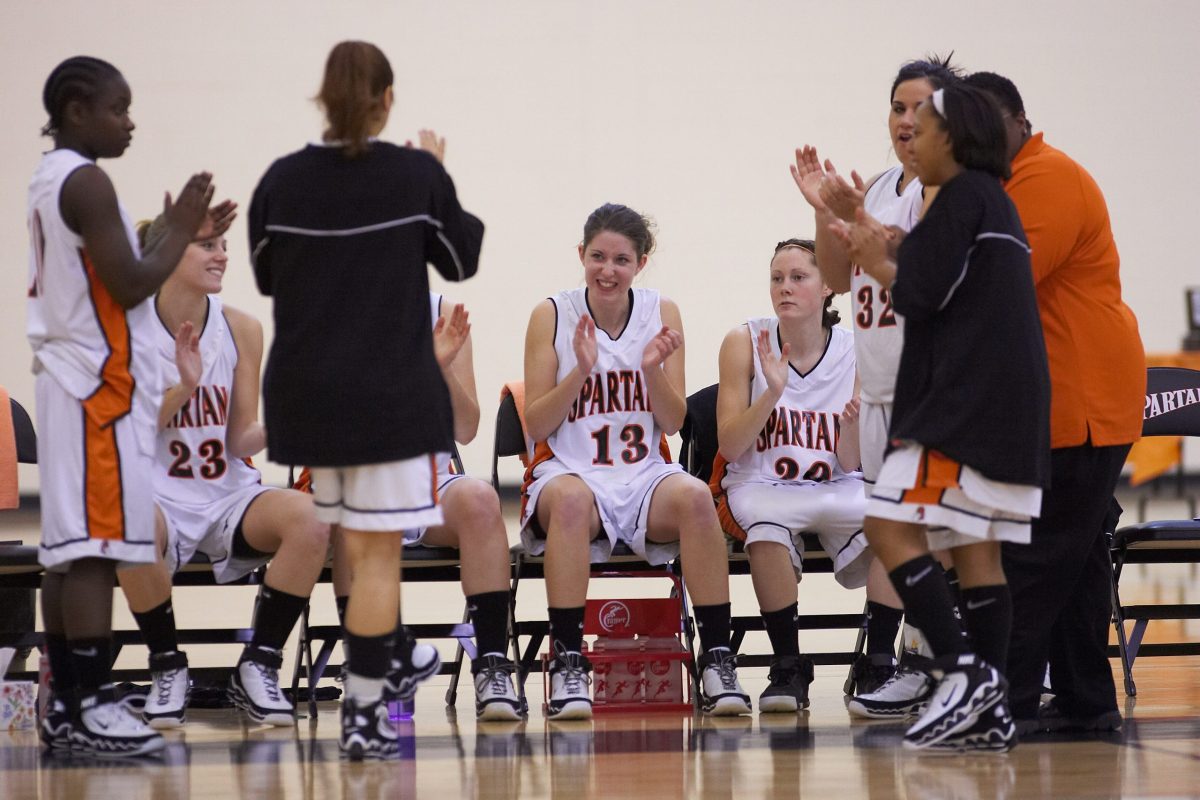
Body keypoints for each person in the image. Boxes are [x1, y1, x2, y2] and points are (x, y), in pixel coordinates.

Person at [248, 41, 483, 760]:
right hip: (385, 397)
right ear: (387, 101)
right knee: (378, 557)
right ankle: (363, 714)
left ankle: (386, 667)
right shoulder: (414, 174)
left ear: (323, 98)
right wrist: (436, 170)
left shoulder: (281, 181)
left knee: (354, 538)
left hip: (306, 401)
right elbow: (462, 258)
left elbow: (264, 275)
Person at [830, 82, 1050, 754]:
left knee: (887, 524)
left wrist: (874, 259)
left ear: (952, 139)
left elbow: (918, 294)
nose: (909, 139)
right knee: (977, 552)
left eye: (921, 127)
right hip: (1004, 408)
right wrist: (868, 234)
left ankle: (959, 673)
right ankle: (992, 705)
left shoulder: (962, 199)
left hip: (968, 409)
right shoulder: (987, 201)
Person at [27, 55, 223, 757]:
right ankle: (89, 704)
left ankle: (67, 707)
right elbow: (135, 281)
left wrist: (177, 228)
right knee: (92, 552)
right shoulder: (86, 180)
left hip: (68, 381)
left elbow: (116, 272)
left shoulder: (51, 179)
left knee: (67, 552)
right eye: (118, 108)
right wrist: (175, 224)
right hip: (93, 389)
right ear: (78, 108)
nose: (130, 120)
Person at [964, 71, 1145, 734]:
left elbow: (994, 281)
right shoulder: (1004, 182)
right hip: (1063, 400)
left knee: (1032, 558)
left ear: (1014, 121)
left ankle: (1001, 707)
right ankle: (1088, 700)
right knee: (1079, 555)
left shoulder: (1046, 177)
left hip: (1082, 402)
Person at [521, 202, 750, 719]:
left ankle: (716, 657)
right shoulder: (551, 314)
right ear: (581, 255)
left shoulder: (661, 312)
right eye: (598, 256)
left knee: (695, 497)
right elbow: (535, 424)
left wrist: (651, 370)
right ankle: (569, 662)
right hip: (570, 471)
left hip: (643, 473)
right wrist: (579, 371)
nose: (608, 269)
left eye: (621, 259)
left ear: (641, 263)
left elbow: (672, 423)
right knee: (574, 504)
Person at [114, 213, 331, 730]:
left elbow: (239, 439)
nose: (222, 254)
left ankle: (259, 666)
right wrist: (184, 388)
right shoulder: (126, 327)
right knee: (128, 521)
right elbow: (123, 432)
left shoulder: (243, 327)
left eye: (224, 244)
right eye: (206, 244)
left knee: (312, 517)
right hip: (157, 494)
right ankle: (168, 666)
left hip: (228, 495)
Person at [791, 56, 961, 717]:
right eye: (897, 107)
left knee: (944, 536)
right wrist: (826, 215)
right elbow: (837, 277)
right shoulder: (885, 185)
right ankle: (916, 661)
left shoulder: (954, 190)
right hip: (884, 392)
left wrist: (861, 220)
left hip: (938, 392)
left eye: (921, 108)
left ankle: (934, 664)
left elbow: (925, 283)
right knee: (900, 532)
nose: (906, 120)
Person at [329, 289, 522, 722]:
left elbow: (467, 427)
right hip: (359, 479)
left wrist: (440, 369)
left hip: (428, 481)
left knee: (480, 500)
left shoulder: (445, 314)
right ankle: (376, 663)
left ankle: (492, 666)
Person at [711, 238, 871, 713]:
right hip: (761, 484)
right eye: (777, 278)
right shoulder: (744, 341)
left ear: (827, 288)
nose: (785, 288)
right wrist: (771, 394)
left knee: (894, 519)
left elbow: (850, 461)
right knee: (764, 530)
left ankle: (879, 662)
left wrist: (851, 428)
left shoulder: (857, 348)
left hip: (834, 482)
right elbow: (730, 446)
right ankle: (788, 664)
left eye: (798, 278)